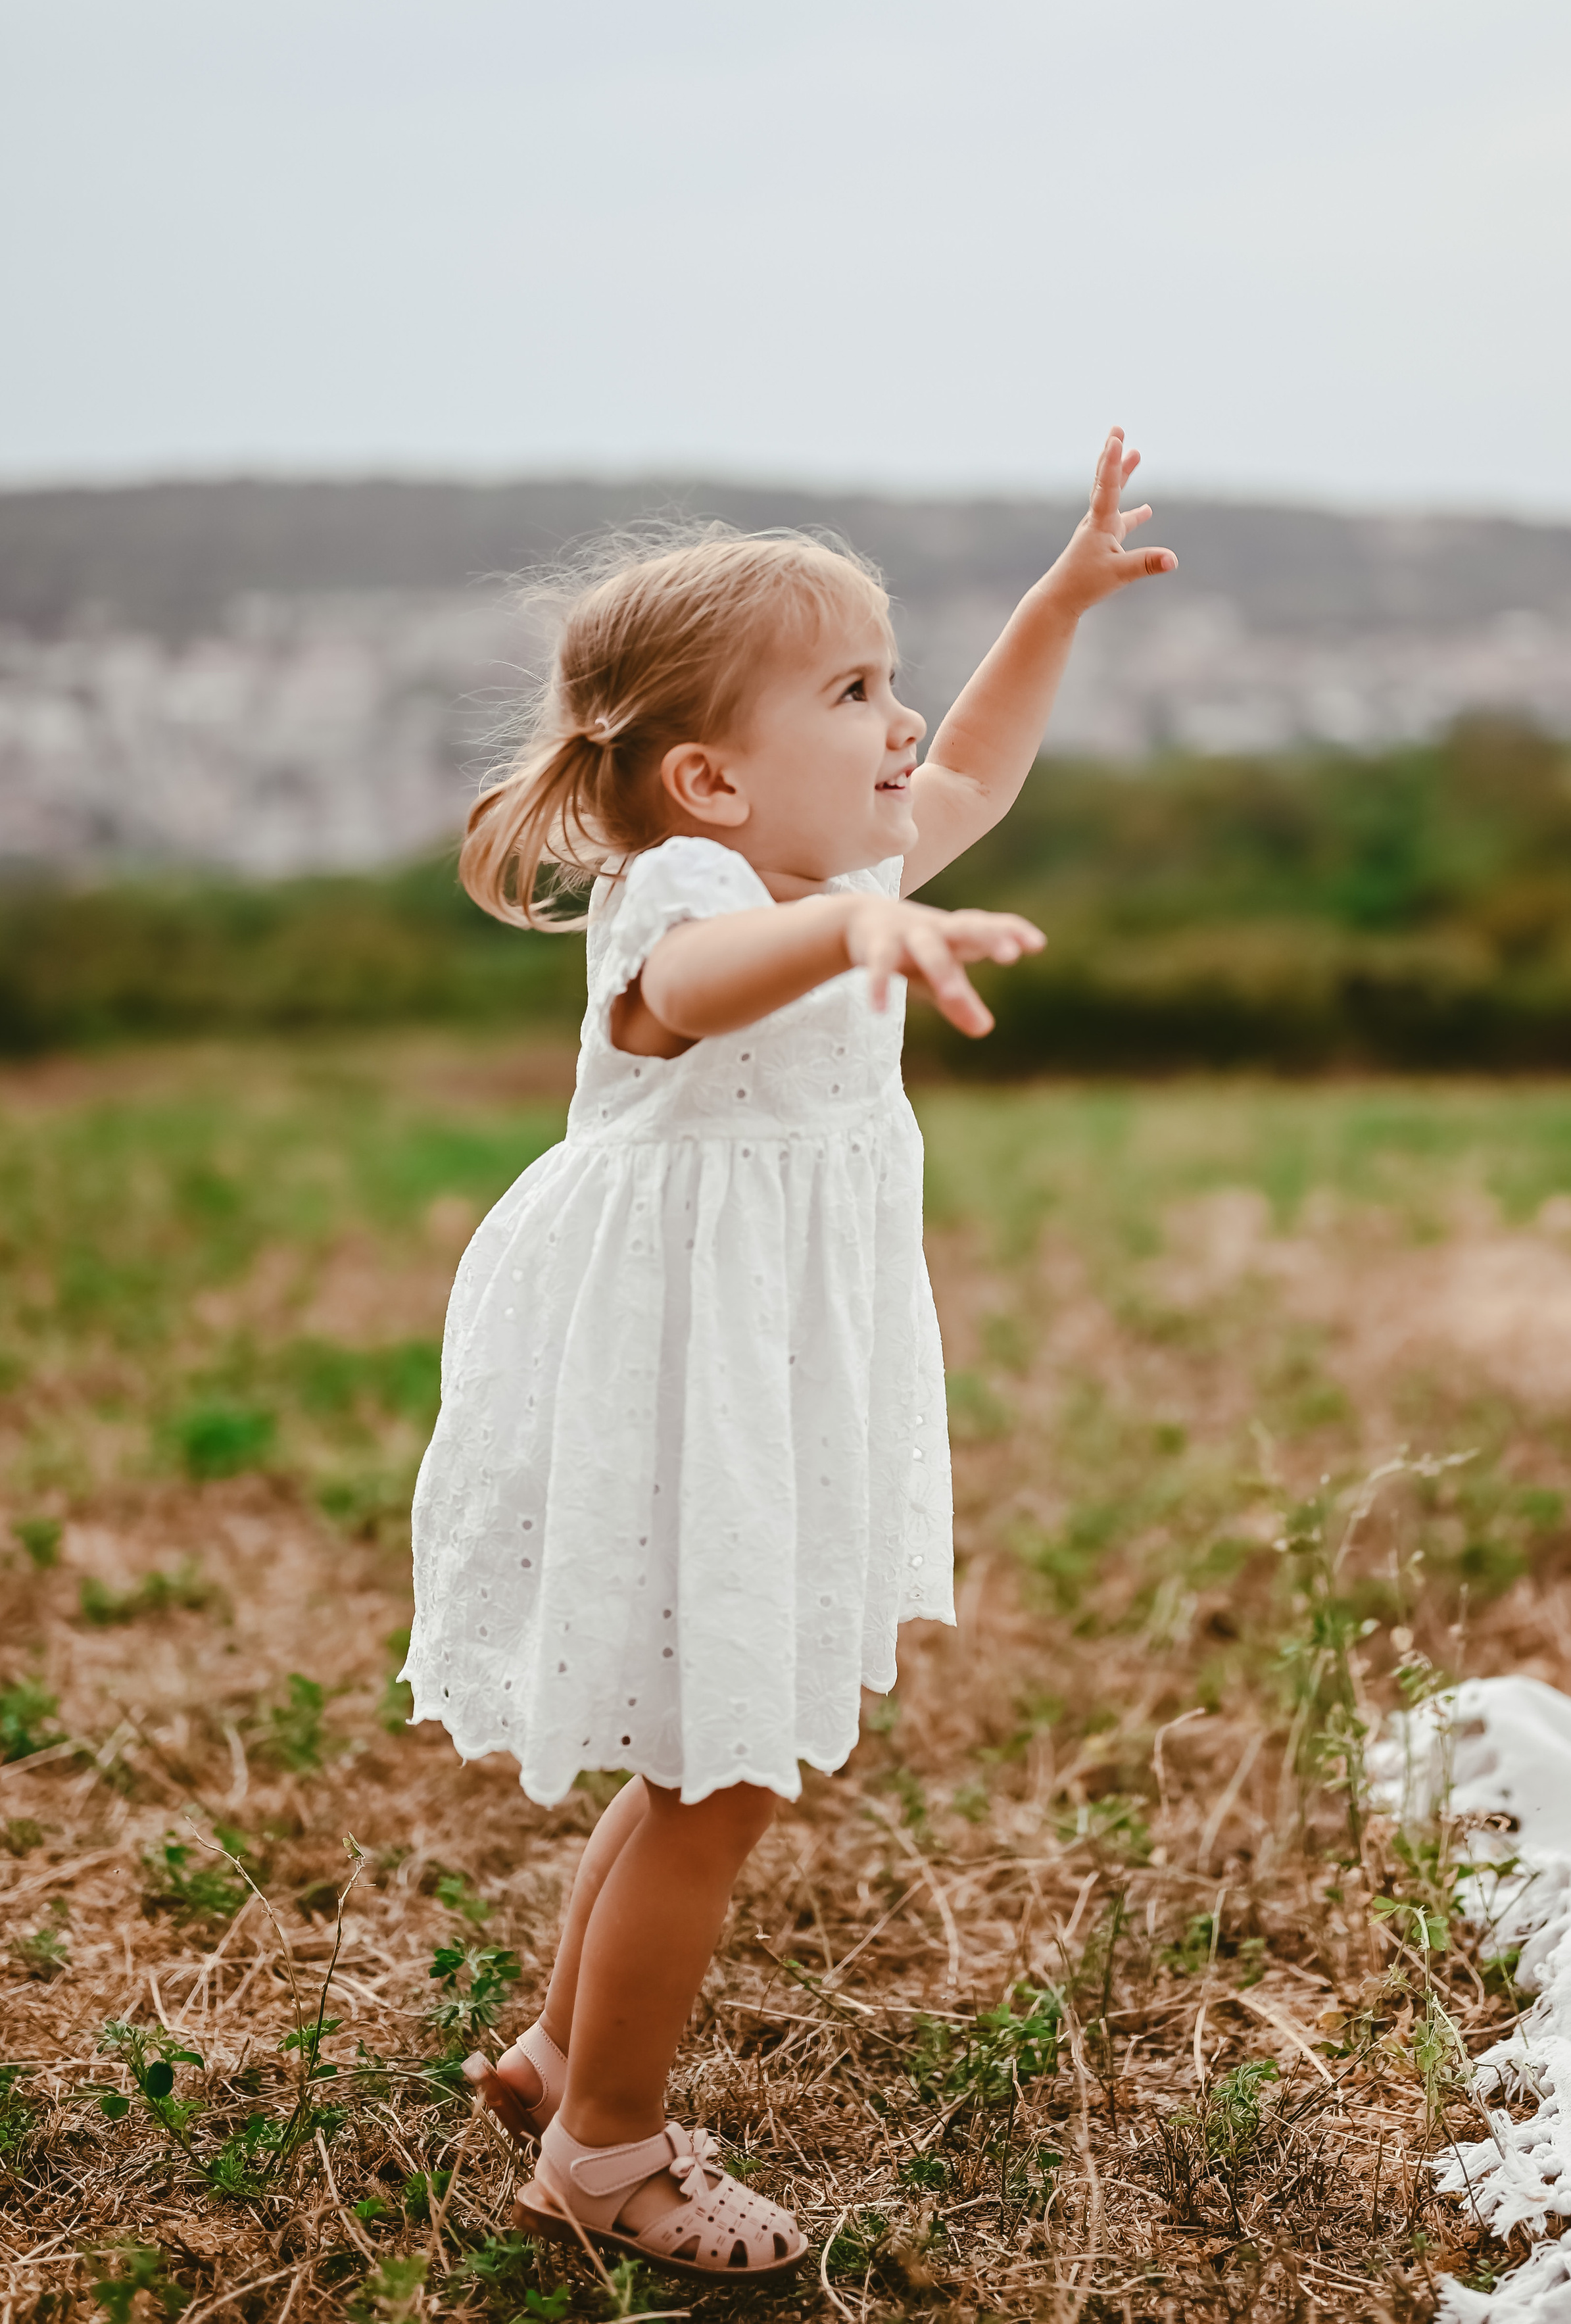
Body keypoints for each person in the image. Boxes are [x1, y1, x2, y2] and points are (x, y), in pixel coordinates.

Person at [399, 430, 1175, 2278]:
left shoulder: (838, 858)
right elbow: (683, 1001)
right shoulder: (689, 892)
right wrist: (858, 922)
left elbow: (976, 762)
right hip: (685, 1365)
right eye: (852, 689)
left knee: (697, 1749)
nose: (901, 719)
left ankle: (553, 2056)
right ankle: (607, 2150)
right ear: (708, 777)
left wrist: (1055, 605)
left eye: (891, 676)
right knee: (720, 1769)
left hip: (758, 1357)